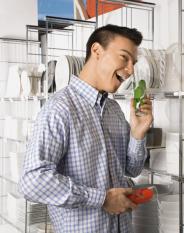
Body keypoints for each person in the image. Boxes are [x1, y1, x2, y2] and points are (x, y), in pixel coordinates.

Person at [18, 24, 153, 233]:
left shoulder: (113, 109)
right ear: (97, 51)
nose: (130, 71)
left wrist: (138, 133)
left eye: (133, 63)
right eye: (124, 58)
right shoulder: (60, 109)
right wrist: (102, 199)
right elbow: (32, 182)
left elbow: (131, 169)